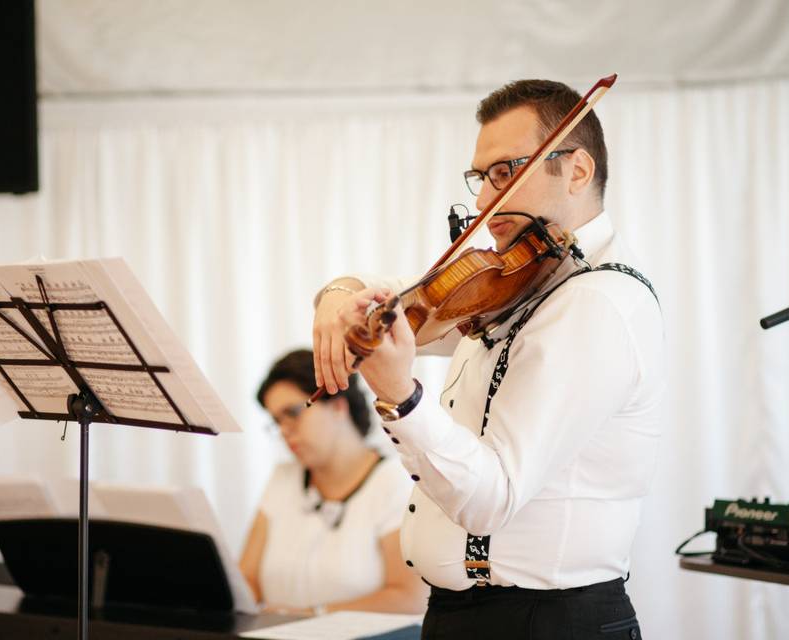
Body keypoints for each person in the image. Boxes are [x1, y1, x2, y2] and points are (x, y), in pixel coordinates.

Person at [312, 80, 664, 639]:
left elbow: (492, 498)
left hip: (546, 624)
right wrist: (336, 297)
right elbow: (395, 294)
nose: (482, 203)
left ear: (576, 170)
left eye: (505, 173)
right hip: (469, 618)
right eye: (481, 178)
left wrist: (402, 396)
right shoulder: (522, 278)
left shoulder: (597, 302)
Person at [239, 349, 428, 615]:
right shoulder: (283, 478)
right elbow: (246, 581)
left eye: (292, 413)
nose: (284, 431)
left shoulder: (396, 482)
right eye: (276, 421)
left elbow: (410, 598)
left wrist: (312, 615)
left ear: (339, 406)